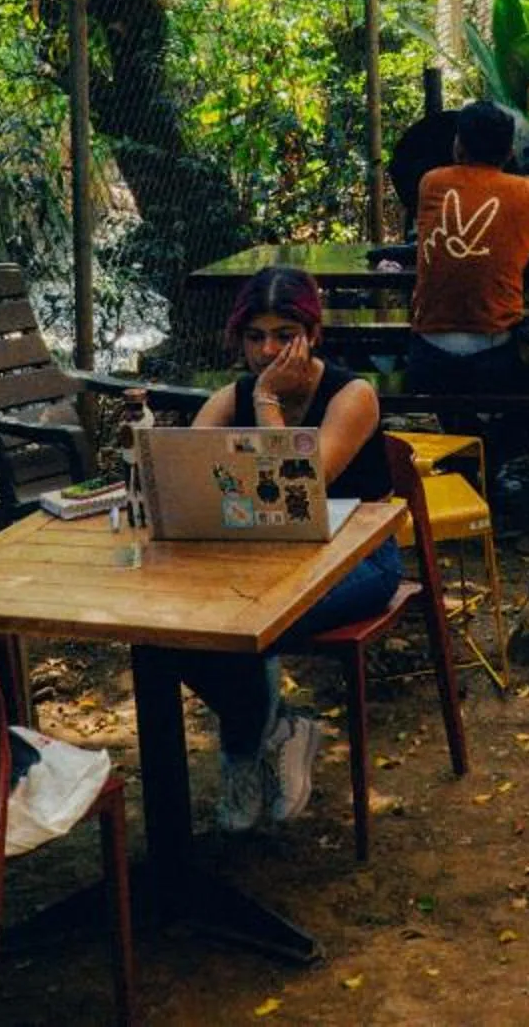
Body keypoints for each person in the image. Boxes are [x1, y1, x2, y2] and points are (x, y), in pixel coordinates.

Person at [171, 266, 402, 831]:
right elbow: (184, 469)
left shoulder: (353, 395)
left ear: (312, 335)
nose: (267, 350)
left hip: (357, 560)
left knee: (245, 626)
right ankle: (275, 732)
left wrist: (268, 403)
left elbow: (304, 483)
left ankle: (243, 750)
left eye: (283, 335)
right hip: (261, 558)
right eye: (255, 337)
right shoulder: (233, 395)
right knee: (172, 630)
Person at [407, 100, 529, 399]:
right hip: (494, 359)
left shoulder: (431, 183)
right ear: (510, 151)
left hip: (426, 357)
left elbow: (472, 252)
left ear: (458, 146)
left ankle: (478, 435)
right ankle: (511, 440)